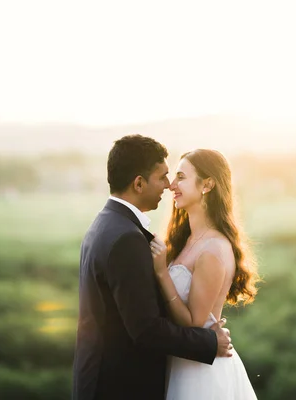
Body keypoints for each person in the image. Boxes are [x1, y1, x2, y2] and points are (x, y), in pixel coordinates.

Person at [72, 135, 234, 400]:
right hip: (119, 388)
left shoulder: (105, 223)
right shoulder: (126, 237)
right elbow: (146, 329)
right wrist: (210, 342)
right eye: (164, 177)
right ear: (139, 183)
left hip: (105, 382)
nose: (168, 185)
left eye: (178, 177)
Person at [150, 149, 260, 399]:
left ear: (207, 184)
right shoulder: (188, 241)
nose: (172, 185)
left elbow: (194, 324)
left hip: (199, 374)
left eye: (181, 177)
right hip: (180, 364)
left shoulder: (212, 249)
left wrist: (161, 272)